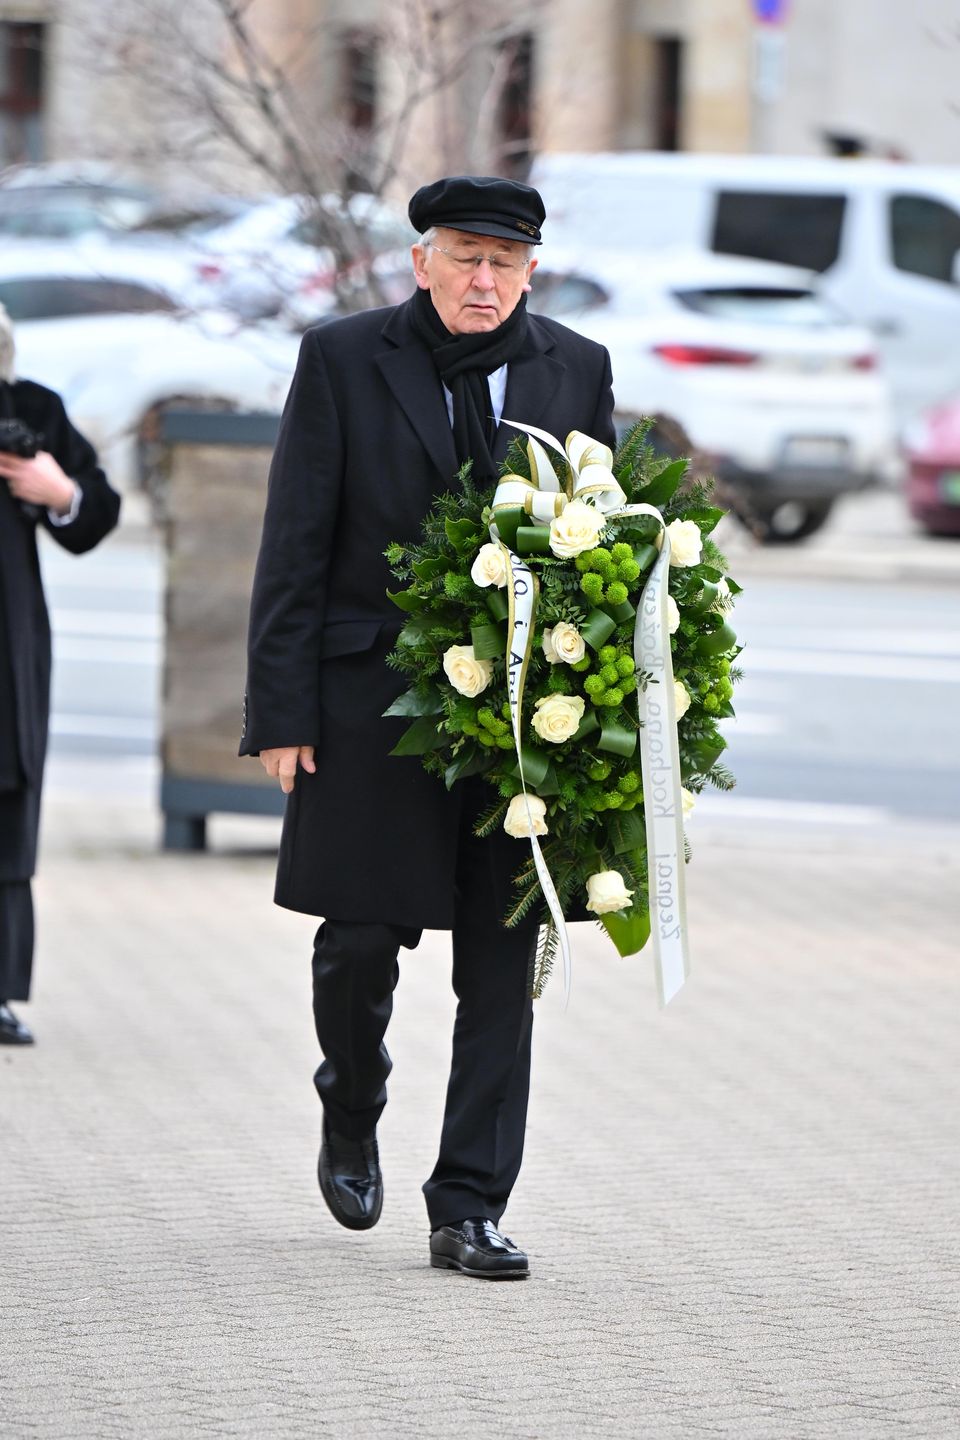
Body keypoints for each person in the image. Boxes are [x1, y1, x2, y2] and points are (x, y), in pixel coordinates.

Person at [242, 175, 615, 1279]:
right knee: (360, 937)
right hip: (370, 706)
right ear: (422, 263)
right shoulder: (343, 358)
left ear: (532, 272)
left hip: (521, 725)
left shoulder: (576, 367)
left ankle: (469, 1207)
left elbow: (603, 538)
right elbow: (294, 543)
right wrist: (282, 712)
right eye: (464, 258)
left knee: (503, 963)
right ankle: (351, 1096)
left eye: (504, 262)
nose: (483, 281)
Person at [0, 304, 121, 1045]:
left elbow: (99, 508)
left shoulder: (31, 410)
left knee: (5, 808)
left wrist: (58, 491)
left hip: (6, 645)